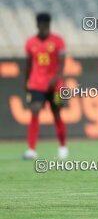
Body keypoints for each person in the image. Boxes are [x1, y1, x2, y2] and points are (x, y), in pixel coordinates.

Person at [23, 12, 68, 160]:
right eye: (41, 25)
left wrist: (56, 78)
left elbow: (62, 63)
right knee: (35, 110)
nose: (43, 28)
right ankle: (31, 149)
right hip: (37, 83)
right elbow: (29, 64)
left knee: (56, 113)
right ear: (37, 25)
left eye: (46, 26)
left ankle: (62, 146)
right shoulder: (30, 43)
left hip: (56, 85)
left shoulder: (58, 41)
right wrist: (26, 81)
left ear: (49, 25)